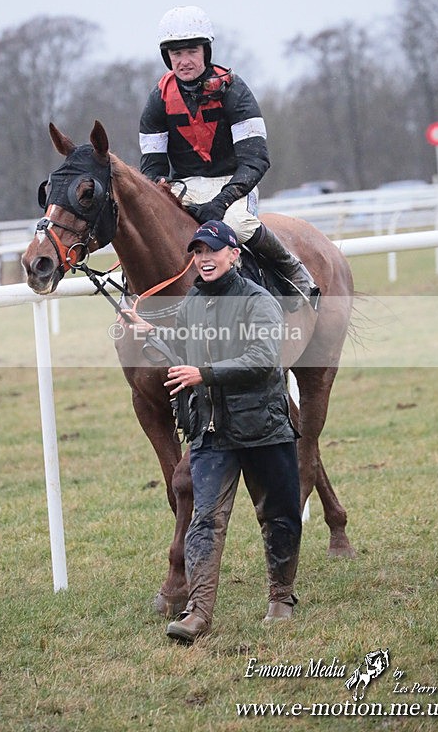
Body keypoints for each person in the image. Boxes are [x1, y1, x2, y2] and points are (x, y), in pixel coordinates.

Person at [123, 220, 302, 644]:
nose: (204, 258)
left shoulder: (260, 301)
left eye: (213, 251)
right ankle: (198, 613)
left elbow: (262, 359)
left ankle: (281, 597)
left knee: (278, 516)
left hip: (264, 429)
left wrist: (203, 374)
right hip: (211, 432)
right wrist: (152, 335)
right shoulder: (192, 303)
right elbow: (183, 349)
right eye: (198, 252)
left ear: (233, 255)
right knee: (204, 522)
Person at [139, 5, 313, 311]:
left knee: (236, 223)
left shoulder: (234, 90)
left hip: (233, 182)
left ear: (206, 51)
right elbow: (153, 167)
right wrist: (161, 191)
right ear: (167, 57)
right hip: (185, 185)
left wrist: (221, 200)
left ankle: (291, 269)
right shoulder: (158, 99)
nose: (184, 61)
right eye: (176, 54)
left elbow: (256, 159)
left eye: (191, 51)